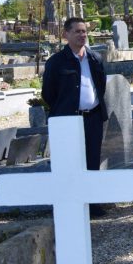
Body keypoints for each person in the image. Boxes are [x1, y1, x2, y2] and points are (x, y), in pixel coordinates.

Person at [42, 17, 108, 216]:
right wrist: (65, 108)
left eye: (84, 31)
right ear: (66, 35)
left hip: (93, 117)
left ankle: (94, 204)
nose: (82, 35)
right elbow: (48, 93)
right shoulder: (56, 62)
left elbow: (101, 85)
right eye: (78, 31)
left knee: (92, 160)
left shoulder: (95, 58)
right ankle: (73, 204)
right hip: (68, 120)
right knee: (71, 161)